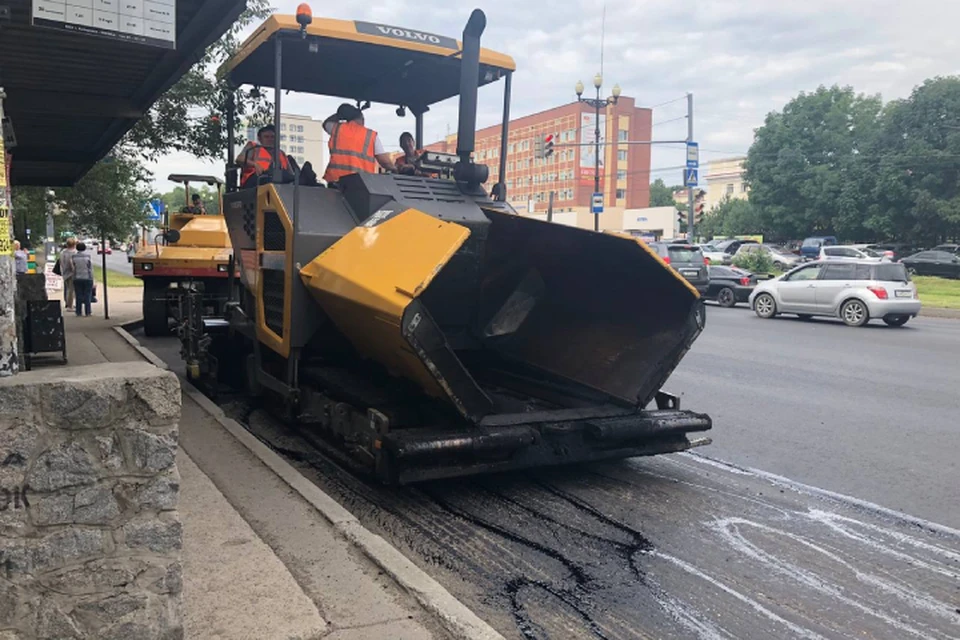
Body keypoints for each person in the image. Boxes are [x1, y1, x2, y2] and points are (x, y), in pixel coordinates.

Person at [322, 104, 396, 185]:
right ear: (362, 119)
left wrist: (341, 114)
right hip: (361, 184)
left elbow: (326, 123)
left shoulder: (337, 128)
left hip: (336, 181)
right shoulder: (370, 135)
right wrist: (395, 169)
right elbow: (385, 162)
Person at [237, 125, 292, 189]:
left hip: (279, 183)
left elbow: (290, 174)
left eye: (272, 137)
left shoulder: (281, 153)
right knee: (270, 177)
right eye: (266, 137)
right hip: (254, 182)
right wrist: (255, 164)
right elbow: (239, 159)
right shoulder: (253, 148)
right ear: (259, 139)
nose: (270, 139)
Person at [72, 242, 94, 317]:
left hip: (77, 277)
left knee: (78, 295)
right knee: (87, 295)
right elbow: (90, 268)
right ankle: (88, 312)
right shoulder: (88, 256)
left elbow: (73, 268)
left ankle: (78, 312)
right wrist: (92, 278)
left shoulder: (74, 257)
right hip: (87, 277)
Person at [60, 237, 78, 311]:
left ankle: (67, 303)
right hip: (72, 273)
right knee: (71, 290)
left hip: (65, 272)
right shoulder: (74, 252)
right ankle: (70, 305)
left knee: (67, 289)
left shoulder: (63, 252)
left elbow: (61, 262)